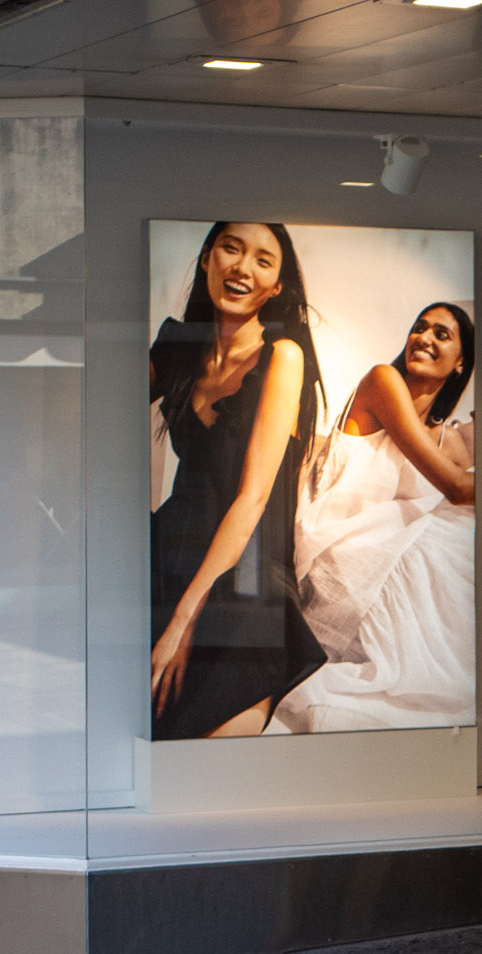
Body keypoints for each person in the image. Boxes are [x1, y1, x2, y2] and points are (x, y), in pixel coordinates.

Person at [149, 221, 326, 739]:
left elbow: (253, 499)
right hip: (167, 555)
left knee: (209, 751)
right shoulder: (178, 348)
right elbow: (95, 406)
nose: (242, 267)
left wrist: (182, 624)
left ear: (276, 287)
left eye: (263, 260)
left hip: (245, 573)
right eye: (230, 248)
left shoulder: (283, 358)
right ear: (207, 258)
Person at [277, 302, 479, 733]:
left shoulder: (447, 439)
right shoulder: (382, 382)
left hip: (381, 565)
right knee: (451, 533)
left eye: (441, 334)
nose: (423, 338)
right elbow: (460, 489)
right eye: (419, 328)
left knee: (465, 533)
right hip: (338, 553)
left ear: (462, 363)